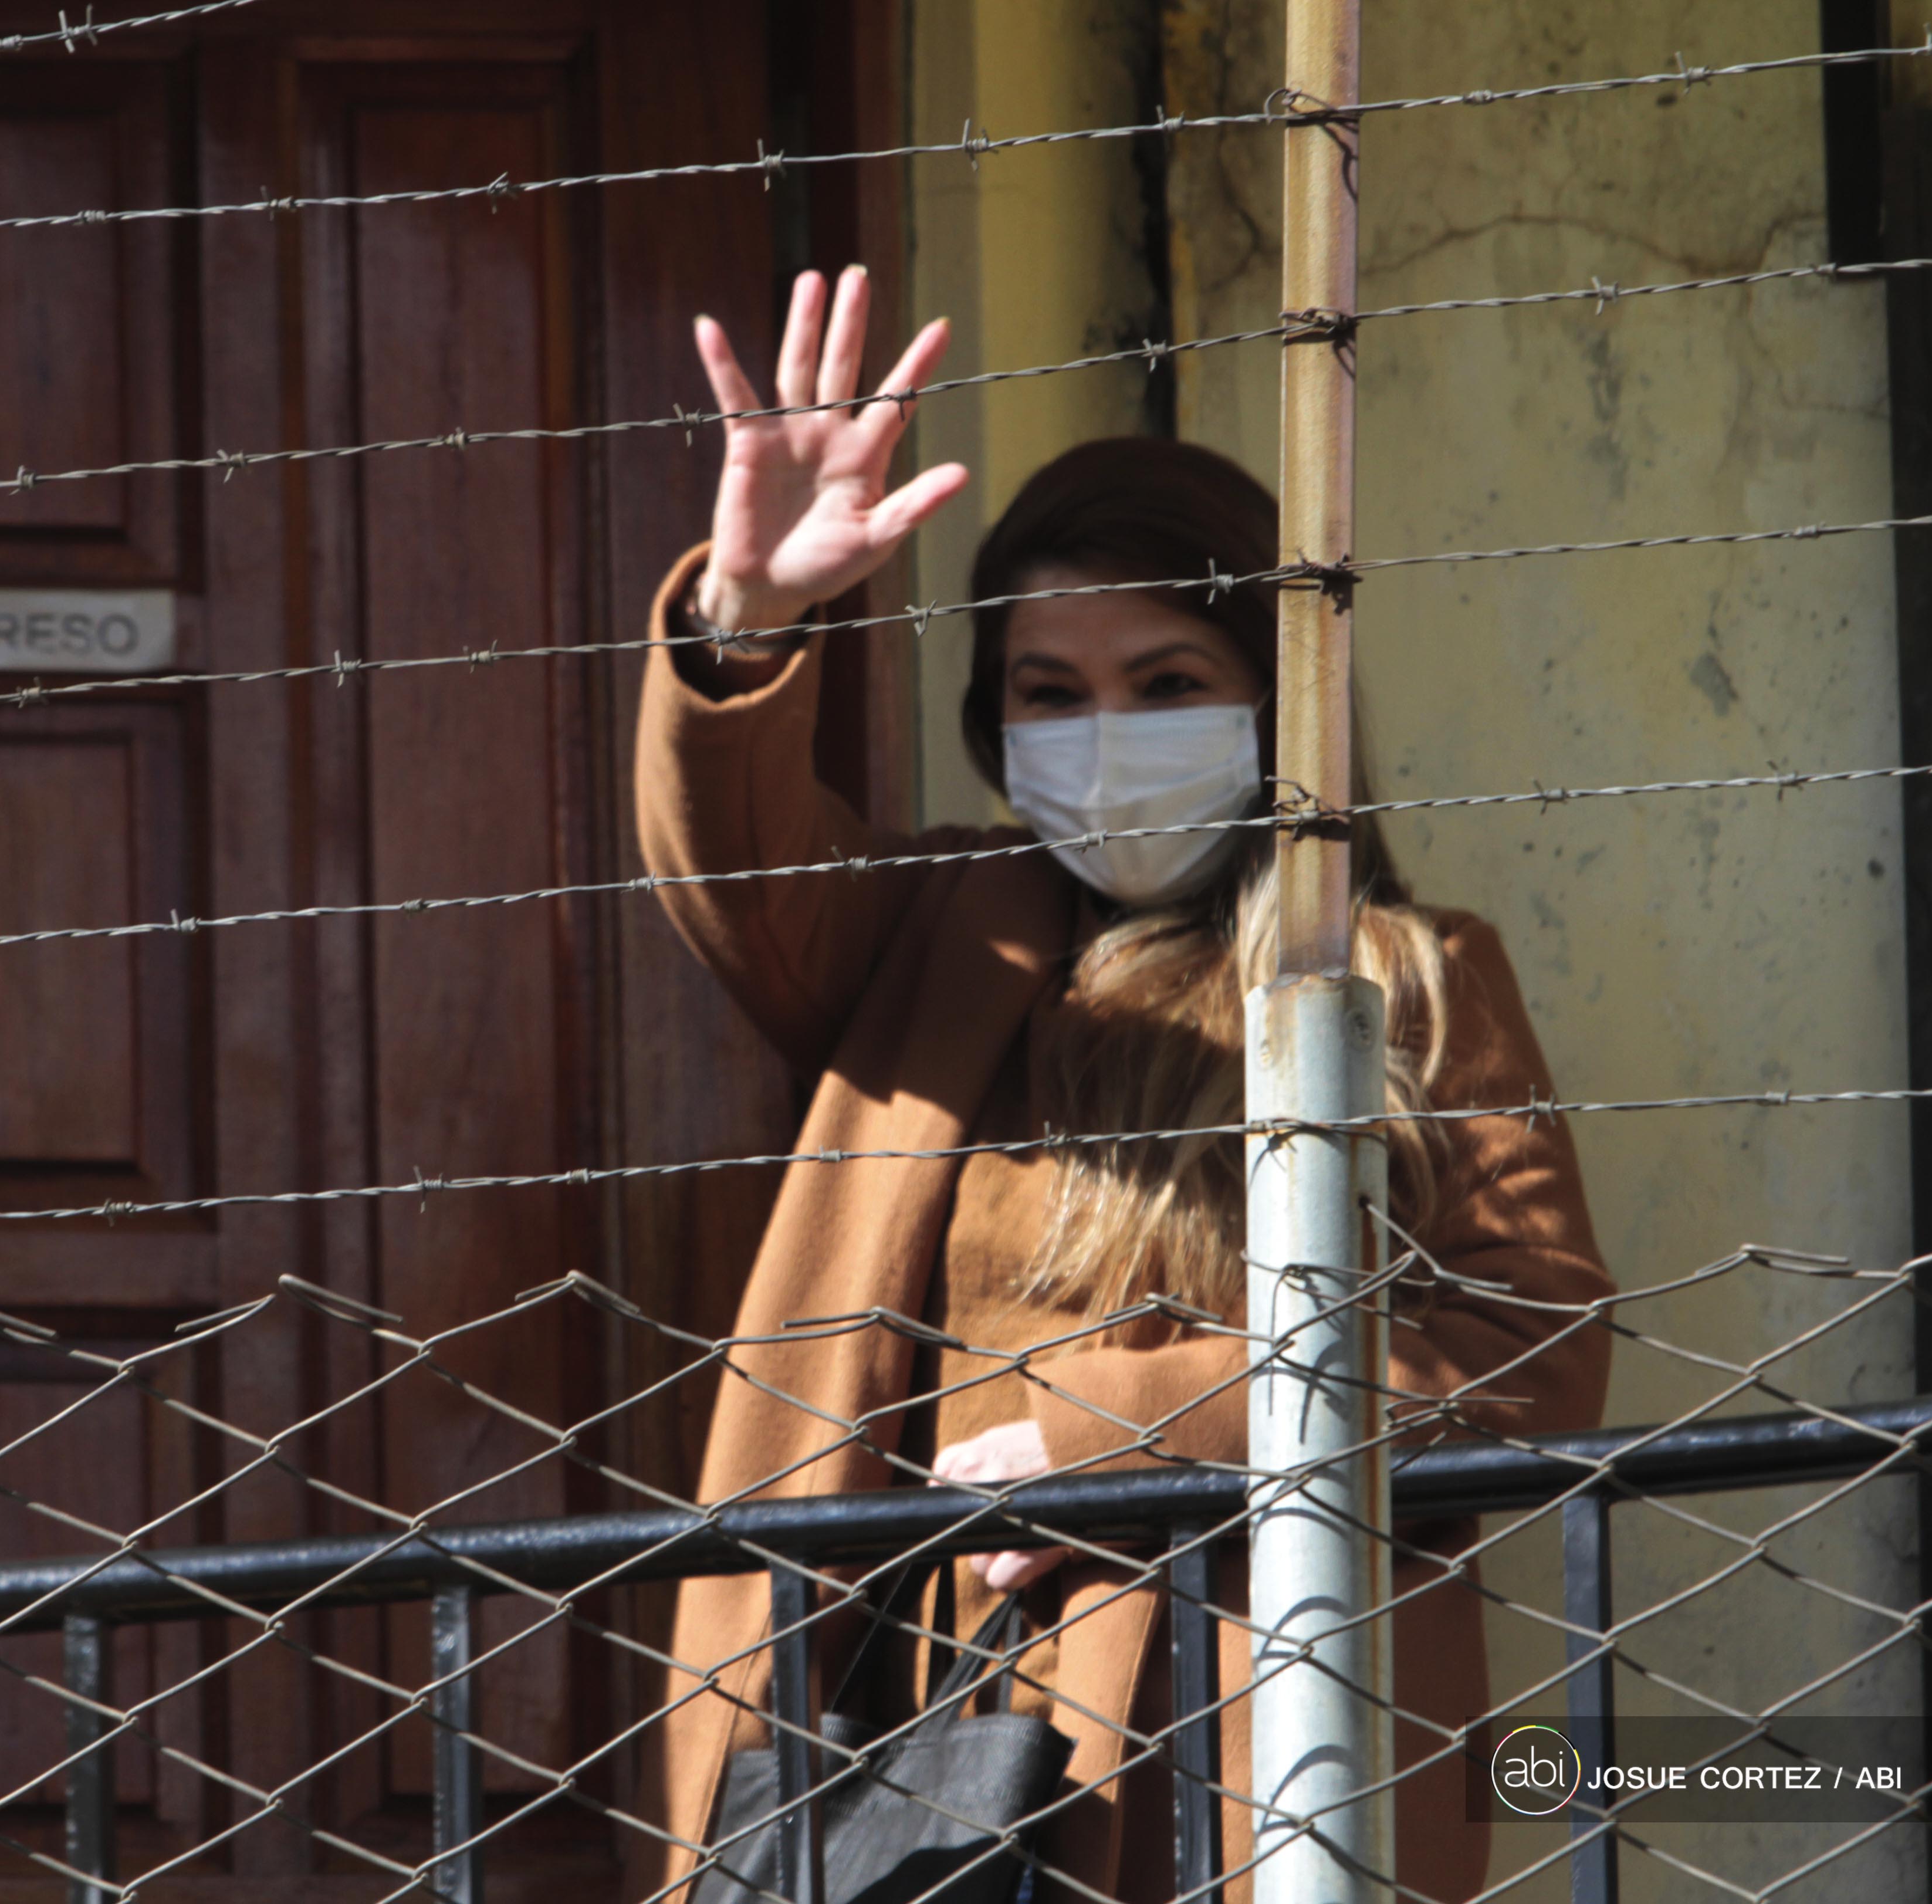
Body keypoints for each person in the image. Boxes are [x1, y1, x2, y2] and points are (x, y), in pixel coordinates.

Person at [634, 265, 1612, 1904]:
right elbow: (731, 873)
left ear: (1273, 696)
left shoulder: (1413, 973)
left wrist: (1123, 1434)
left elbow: (1534, 1353)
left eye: (1166, 684)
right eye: (1050, 694)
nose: (1106, 735)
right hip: (938, 1698)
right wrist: (752, 617)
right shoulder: (940, 938)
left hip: (1268, 1692)